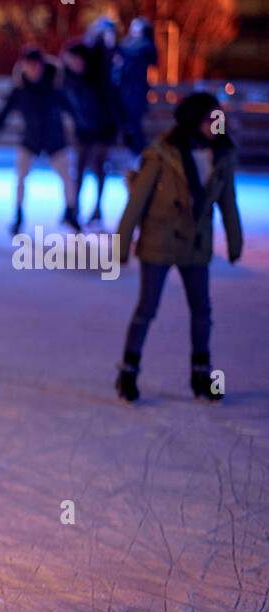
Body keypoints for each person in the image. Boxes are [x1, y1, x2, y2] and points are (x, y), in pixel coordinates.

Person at [113, 91, 241, 404]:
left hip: (196, 244)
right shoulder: (162, 154)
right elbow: (137, 200)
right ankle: (128, 371)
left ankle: (202, 373)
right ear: (195, 120)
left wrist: (234, 238)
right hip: (159, 240)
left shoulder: (222, 155)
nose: (217, 124)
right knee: (147, 307)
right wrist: (122, 242)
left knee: (202, 310)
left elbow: (228, 201)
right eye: (212, 119)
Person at [0, 47, 79, 234]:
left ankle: (70, 211)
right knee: (21, 178)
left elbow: (73, 110)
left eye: (36, 66)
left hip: (55, 140)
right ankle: (18, 214)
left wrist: (81, 131)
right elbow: (2, 118)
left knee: (67, 177)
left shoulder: (54, 88)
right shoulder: (20, 91)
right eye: (29, 66)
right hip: (30, 140)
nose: (33, 70)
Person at [61, 41, 116, 226]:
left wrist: (116, 126)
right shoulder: (68, 79)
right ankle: (73, 208)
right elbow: (67, 104)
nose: (74, 64)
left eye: (76, 60)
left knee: (99, 166)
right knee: (79, 167)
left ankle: (97, 208)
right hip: (83, 130)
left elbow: (110, 103)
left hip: (102, 129)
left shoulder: (98, 78)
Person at [115, 18, 157, 158]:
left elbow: (151, 58)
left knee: (134, 123)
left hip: (136, 90)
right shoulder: (127, 43)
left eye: (137, 26)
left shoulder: (145, 45)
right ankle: (133, 151)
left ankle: (139, 152)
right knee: (125, 123)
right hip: (122, 89)